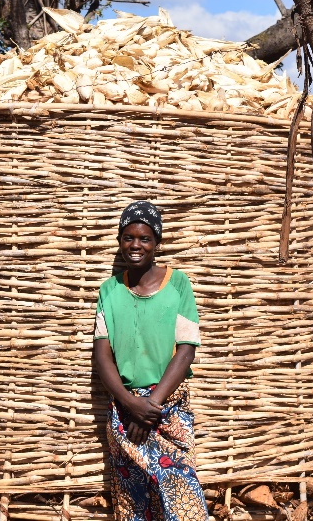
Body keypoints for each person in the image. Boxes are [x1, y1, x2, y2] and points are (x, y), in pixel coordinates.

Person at [93, 201, 209, 521]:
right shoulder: (109, 291)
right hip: (124, 412)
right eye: (128, 237)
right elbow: (102, 357)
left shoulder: (179, 284)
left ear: (157, 242)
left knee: (184, 502)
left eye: (144, 238)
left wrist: (151, 405)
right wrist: (131, 404)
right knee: (134, 505)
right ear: (120, 241)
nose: (136, 245)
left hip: (167, 409)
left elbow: (186, 350)